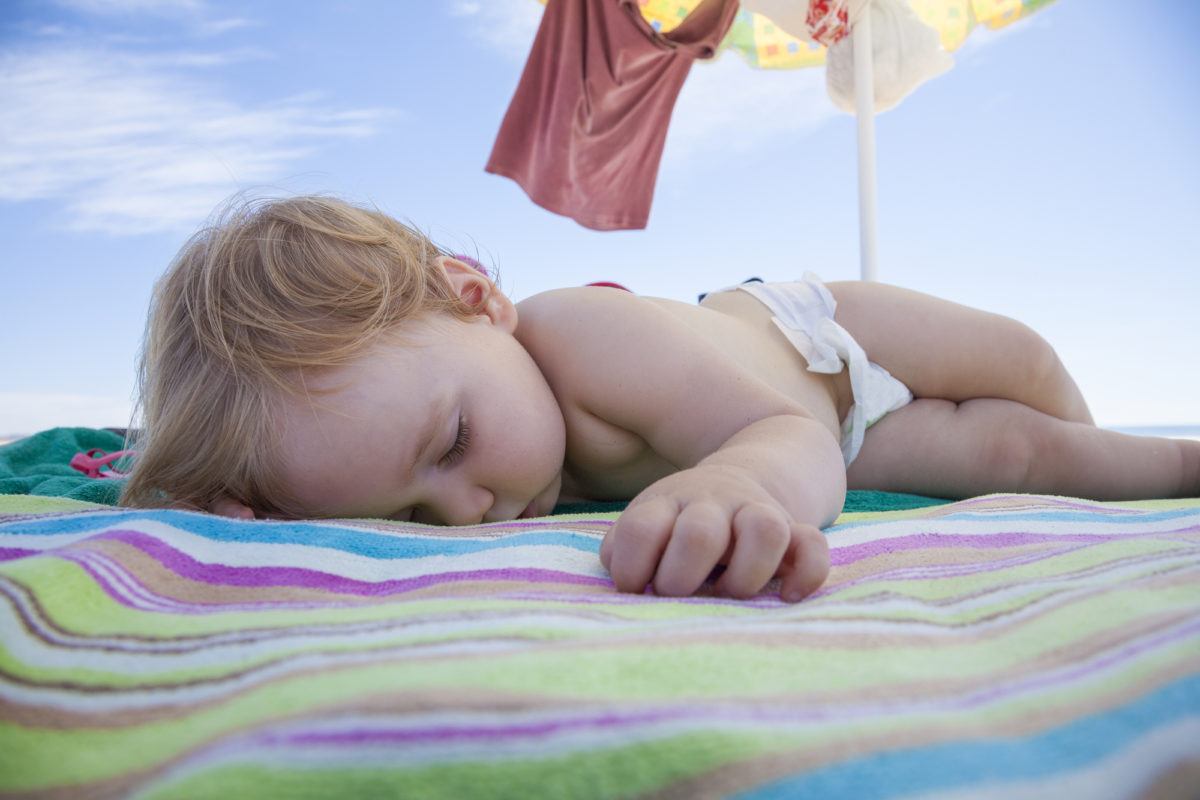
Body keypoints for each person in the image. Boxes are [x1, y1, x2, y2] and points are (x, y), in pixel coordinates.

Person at [121, 196, 1199, 603]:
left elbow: (775, 429)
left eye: (452, 441)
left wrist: (733, 479)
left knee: (1021, 358)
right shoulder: (471, 450)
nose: (467, 508)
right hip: (844, 444)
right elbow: (816, 455)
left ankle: (1103, 422)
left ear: (476, 297)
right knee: (1021, 455)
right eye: (406, 513)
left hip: (812, 343)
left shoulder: (578, 333)